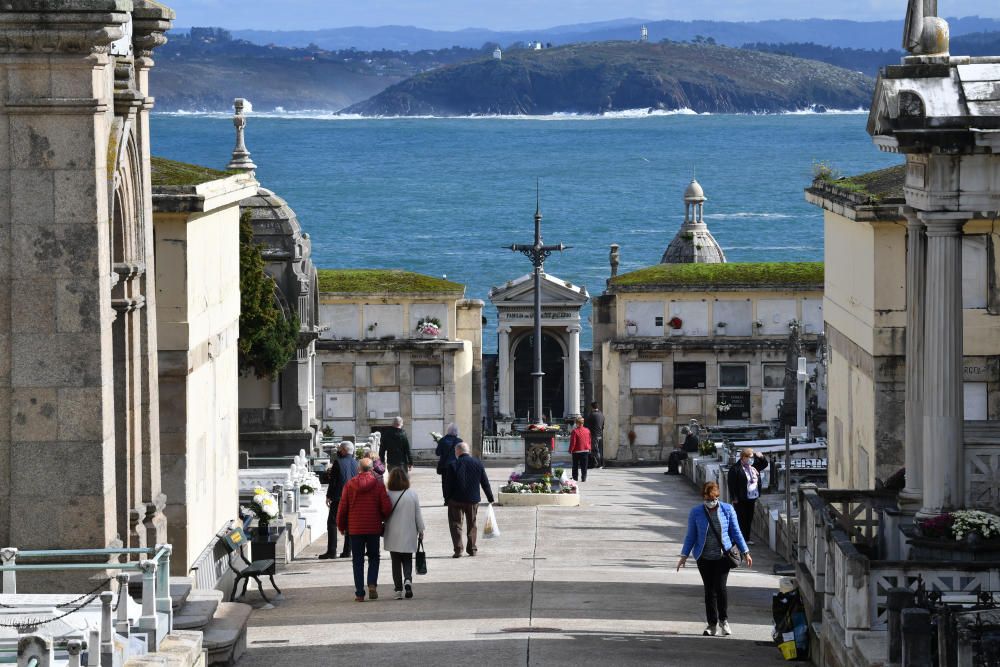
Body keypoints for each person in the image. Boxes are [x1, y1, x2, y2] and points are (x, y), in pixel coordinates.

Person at [677, 481, 752, 637]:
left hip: (723, 556)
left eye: (712, 499)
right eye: (706, 499)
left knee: (720, 587)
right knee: (709, 590)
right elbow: (691, 535)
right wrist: (684, 556)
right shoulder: (696, 512)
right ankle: (711, 624)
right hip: (703, 557)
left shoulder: (728, 509)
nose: (710, 502)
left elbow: (736, 532)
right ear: (703, 497)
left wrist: (746, 551)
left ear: (717, 496)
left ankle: (723, 621)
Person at [337, 457, 392, 602]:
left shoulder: (349, 485)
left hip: (355, 529)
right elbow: (386, 507)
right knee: (374, 557)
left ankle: (360, 593)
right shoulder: (378, 485)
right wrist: (383, 517)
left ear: (358, 469)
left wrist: (341, 526)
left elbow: (342, 508)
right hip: (373, 527)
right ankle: (372, 583)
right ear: (372, 469)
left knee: (358, 560)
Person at [442, 441, 494, 557]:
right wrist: (490, 497)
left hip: (455, 500)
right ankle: (472, 549)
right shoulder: (478, 463)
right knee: (472, 524)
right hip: (472, 500)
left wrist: (447, 499)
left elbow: (448, 485)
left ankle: (458, 550)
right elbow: (485, 482)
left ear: (458, 451)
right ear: (468, 451)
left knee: (455, 525)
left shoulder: (452, 465)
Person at [383, 468, 425, 600]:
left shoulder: (388, 495)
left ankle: (398, 590)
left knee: (395, 562)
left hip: (392, 534)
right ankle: (407, 579)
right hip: (409, 532)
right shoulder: (412, 494)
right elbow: (418, 514)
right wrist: (421, 530)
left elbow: (383, 514)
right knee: (407, 559)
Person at [319, 442, 358, 559]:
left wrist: (328, 496)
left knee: (332, 523)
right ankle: (347, 551)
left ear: (345, 450)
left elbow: (334, 482)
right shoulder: (356, 463)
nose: (339, 451)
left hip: (339, 497)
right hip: (352, 498)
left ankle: (332, 551)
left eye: (340, 449)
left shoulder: (338, 462)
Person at [727, 448, 769, 546]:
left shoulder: (753, 467)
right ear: (743, 457)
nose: (751, 459)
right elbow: (731, 484)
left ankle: (747, 538)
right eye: (749, 457)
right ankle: (738, 538)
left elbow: (765, 464)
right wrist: (734, 497)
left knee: (749, 518)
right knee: (740, 518)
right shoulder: (735, 468)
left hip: (751, 497)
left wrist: (761, 456)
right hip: (740, 498)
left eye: (752, 457)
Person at [435, 423, 461, 503]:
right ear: (456, 431)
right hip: (456, 466)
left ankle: (446, 500)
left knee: (445, 483)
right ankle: (455, 498)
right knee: (455, 482)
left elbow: (437, 453)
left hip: (445, 466)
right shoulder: (459, 441)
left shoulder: (442, 440)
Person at [568, 416, 592, 482]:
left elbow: (573, 442)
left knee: (575, 465)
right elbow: (589, 440)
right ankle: (584, 478)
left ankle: (575, 478)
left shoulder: (574, 431)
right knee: (584, 465)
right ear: (583, 423)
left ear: (577, 423)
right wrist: (589, 448)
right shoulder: (587, 430)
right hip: (585, 450)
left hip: (576, 451)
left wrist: (570, 450)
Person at [584, 402, 605, 467]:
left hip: (594, 435)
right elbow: (603, 426)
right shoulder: (601, 415)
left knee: (595, 450)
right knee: (599, 449)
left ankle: (597, 464)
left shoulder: (592, 415)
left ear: (592, 407)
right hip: (600, 434)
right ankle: (600, 463)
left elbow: (587, 425)